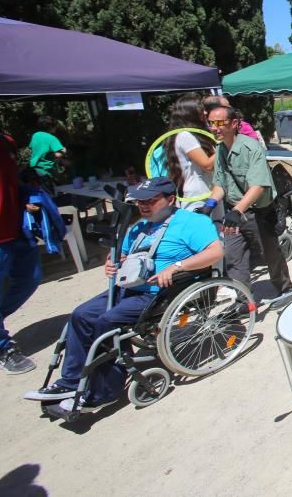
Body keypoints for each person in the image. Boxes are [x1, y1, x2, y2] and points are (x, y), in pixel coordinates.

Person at [23, 177, 223, 413]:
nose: (144, 206)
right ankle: (70, 382)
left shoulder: (192, 222)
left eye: (151, 200)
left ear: (170, 199)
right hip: (127, 288)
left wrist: (177, 266)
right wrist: (112, 263)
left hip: (160, 293)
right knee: (80, 315)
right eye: (140, 201)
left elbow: (216, 252)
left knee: (106, 323)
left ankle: (105, 391)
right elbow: (120, 256)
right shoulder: (139, 227)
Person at [205, 105, 292, 296]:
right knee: (234, 257)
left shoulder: (251, 148)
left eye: (220, 123)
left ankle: (285, 288)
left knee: (269, 253)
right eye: (211, 123)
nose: (214, 128)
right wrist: (209, 205)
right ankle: (243, 299)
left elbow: (258, 185)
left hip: (258, 212)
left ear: (235, 123)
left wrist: (238, 211)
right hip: (234, 213)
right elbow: (221, 182)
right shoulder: (220, 149)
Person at [0, 98, 42, 374]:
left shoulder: (6, 143)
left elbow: (10, 179)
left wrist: (26, 195)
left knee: (30, 279)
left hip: (16, 229)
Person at [161, 94, 216, 210]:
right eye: (201, 110)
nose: (205, 113)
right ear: (190, 113)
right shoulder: (185, 136)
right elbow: (207, 165)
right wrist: (226, 144)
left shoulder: (198, 135)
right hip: (197, 198)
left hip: (209, 193)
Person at [28, 116, 68, 182]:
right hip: (47, 170)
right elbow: (58, 154)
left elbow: (31, 148)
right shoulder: (52, 138)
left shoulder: (35, 135)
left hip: (35, 169)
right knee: (61, 185)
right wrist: (64, 150)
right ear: (51, 127)